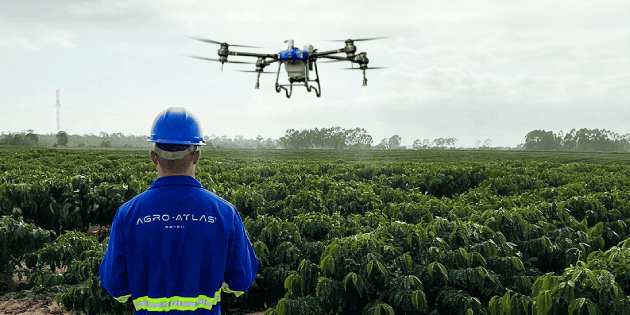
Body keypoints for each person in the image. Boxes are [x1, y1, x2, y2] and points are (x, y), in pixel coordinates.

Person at [99, 107, 258, 314]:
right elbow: (240, 281)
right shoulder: (224, 213)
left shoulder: (128, 214)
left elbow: (115, 285)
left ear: (153, 157)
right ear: (197, 156)